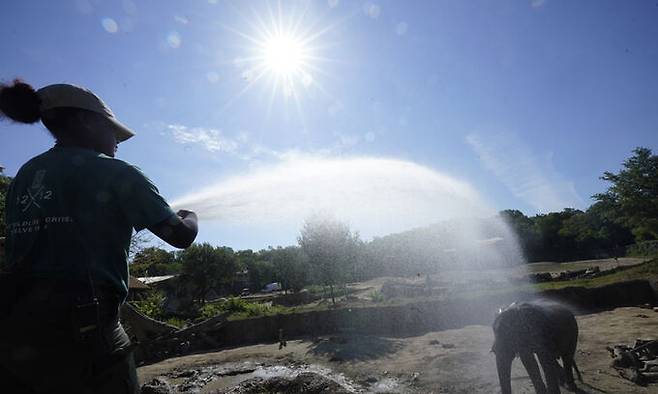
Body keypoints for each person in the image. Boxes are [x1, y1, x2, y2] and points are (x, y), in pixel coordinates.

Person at [0, 80, 198, 393]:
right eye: (113, 131)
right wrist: (191, 216)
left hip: (16, 335)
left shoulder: (25, 174)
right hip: (87, 334)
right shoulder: (115, 172)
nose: (117, 142)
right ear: (86, 120)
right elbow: (180, 237)